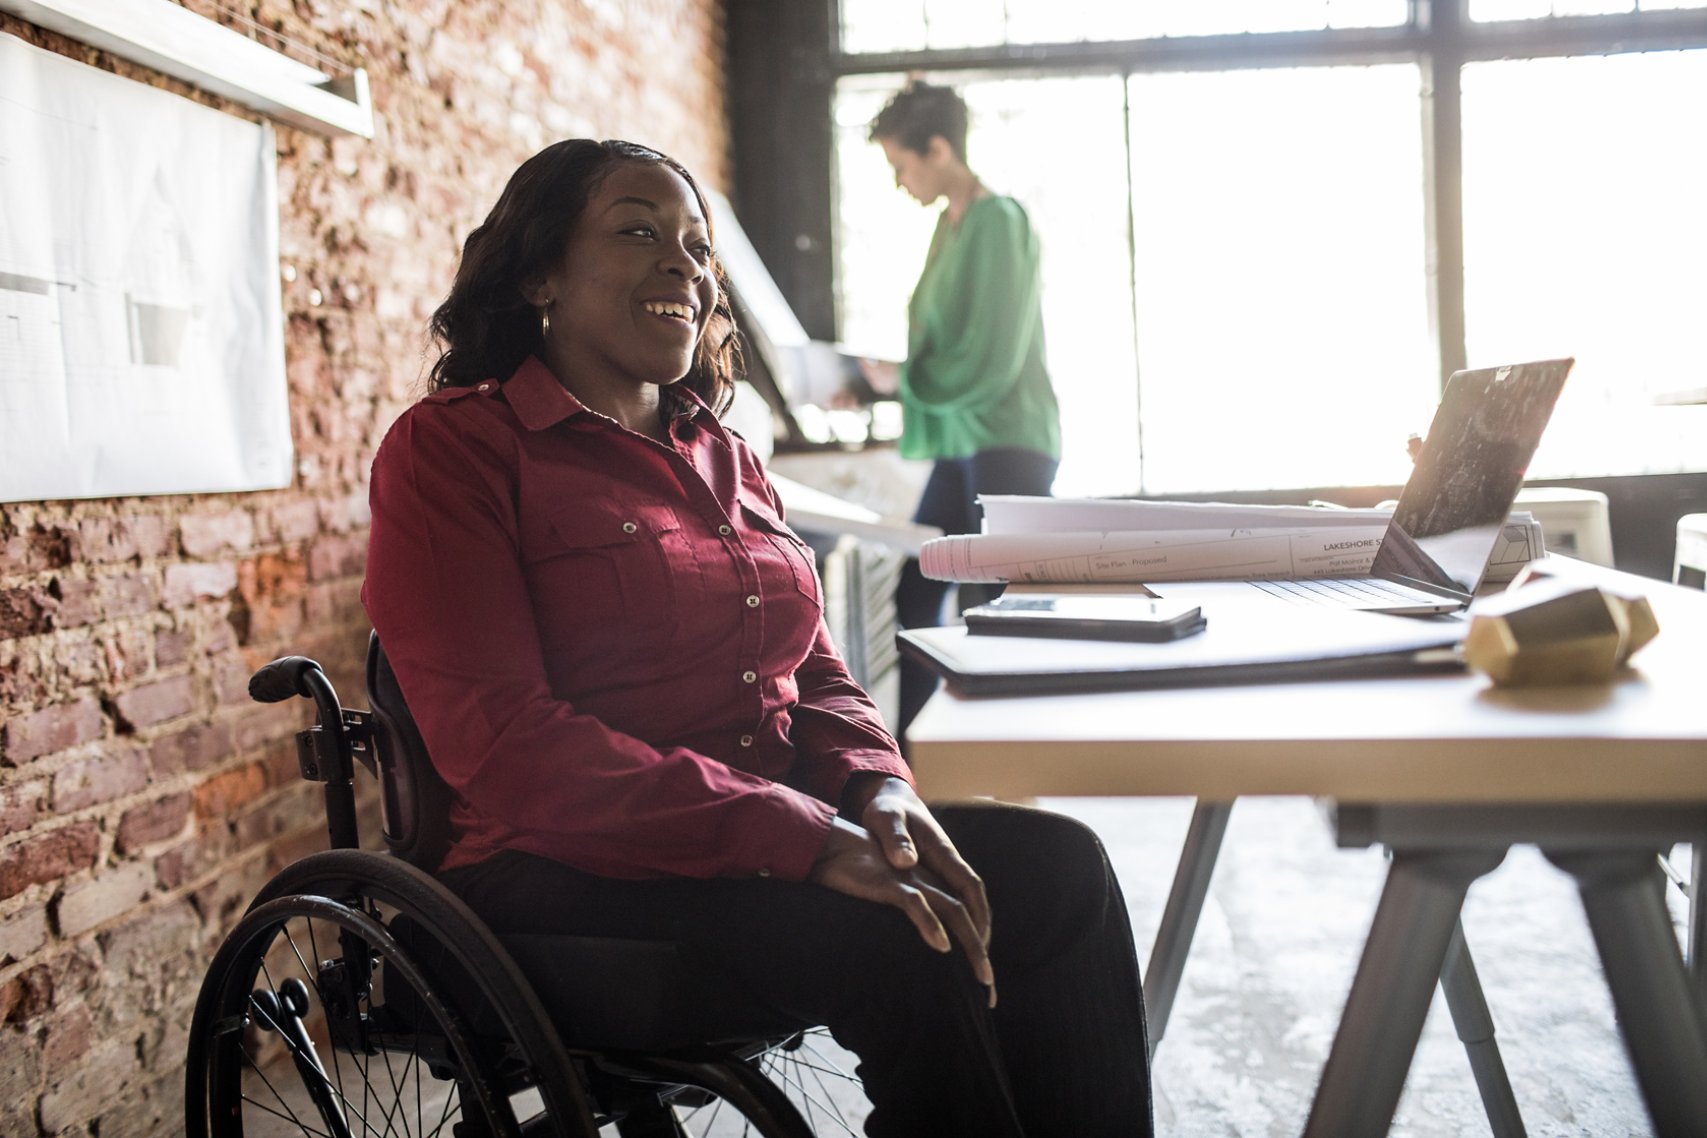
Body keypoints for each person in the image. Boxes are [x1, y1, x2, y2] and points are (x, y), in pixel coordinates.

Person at [362, 138, 1150, 1137]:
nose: (683, 265)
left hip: (764, 835)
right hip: (559, 875)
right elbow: (511, 751)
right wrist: (812, 839)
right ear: (538, 273)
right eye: (638, 232)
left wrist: (880, 789)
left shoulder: (723, 450)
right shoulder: (453, 451)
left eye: (696, 245)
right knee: (905, 931)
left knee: (1058, 874)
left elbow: (814, 666)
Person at [861, 81, 1064, 736]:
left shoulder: (997, 220)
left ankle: (1009, 749)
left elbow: (990, 355)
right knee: (917, 589)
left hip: (1007, 438)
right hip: (960, 440)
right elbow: (935, 346)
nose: (899, 182)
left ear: (939, 148)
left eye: (901, 164)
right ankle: (912, 765)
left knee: (1003, 605)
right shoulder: (946, 229)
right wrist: (876, 381)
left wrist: (900, 384)